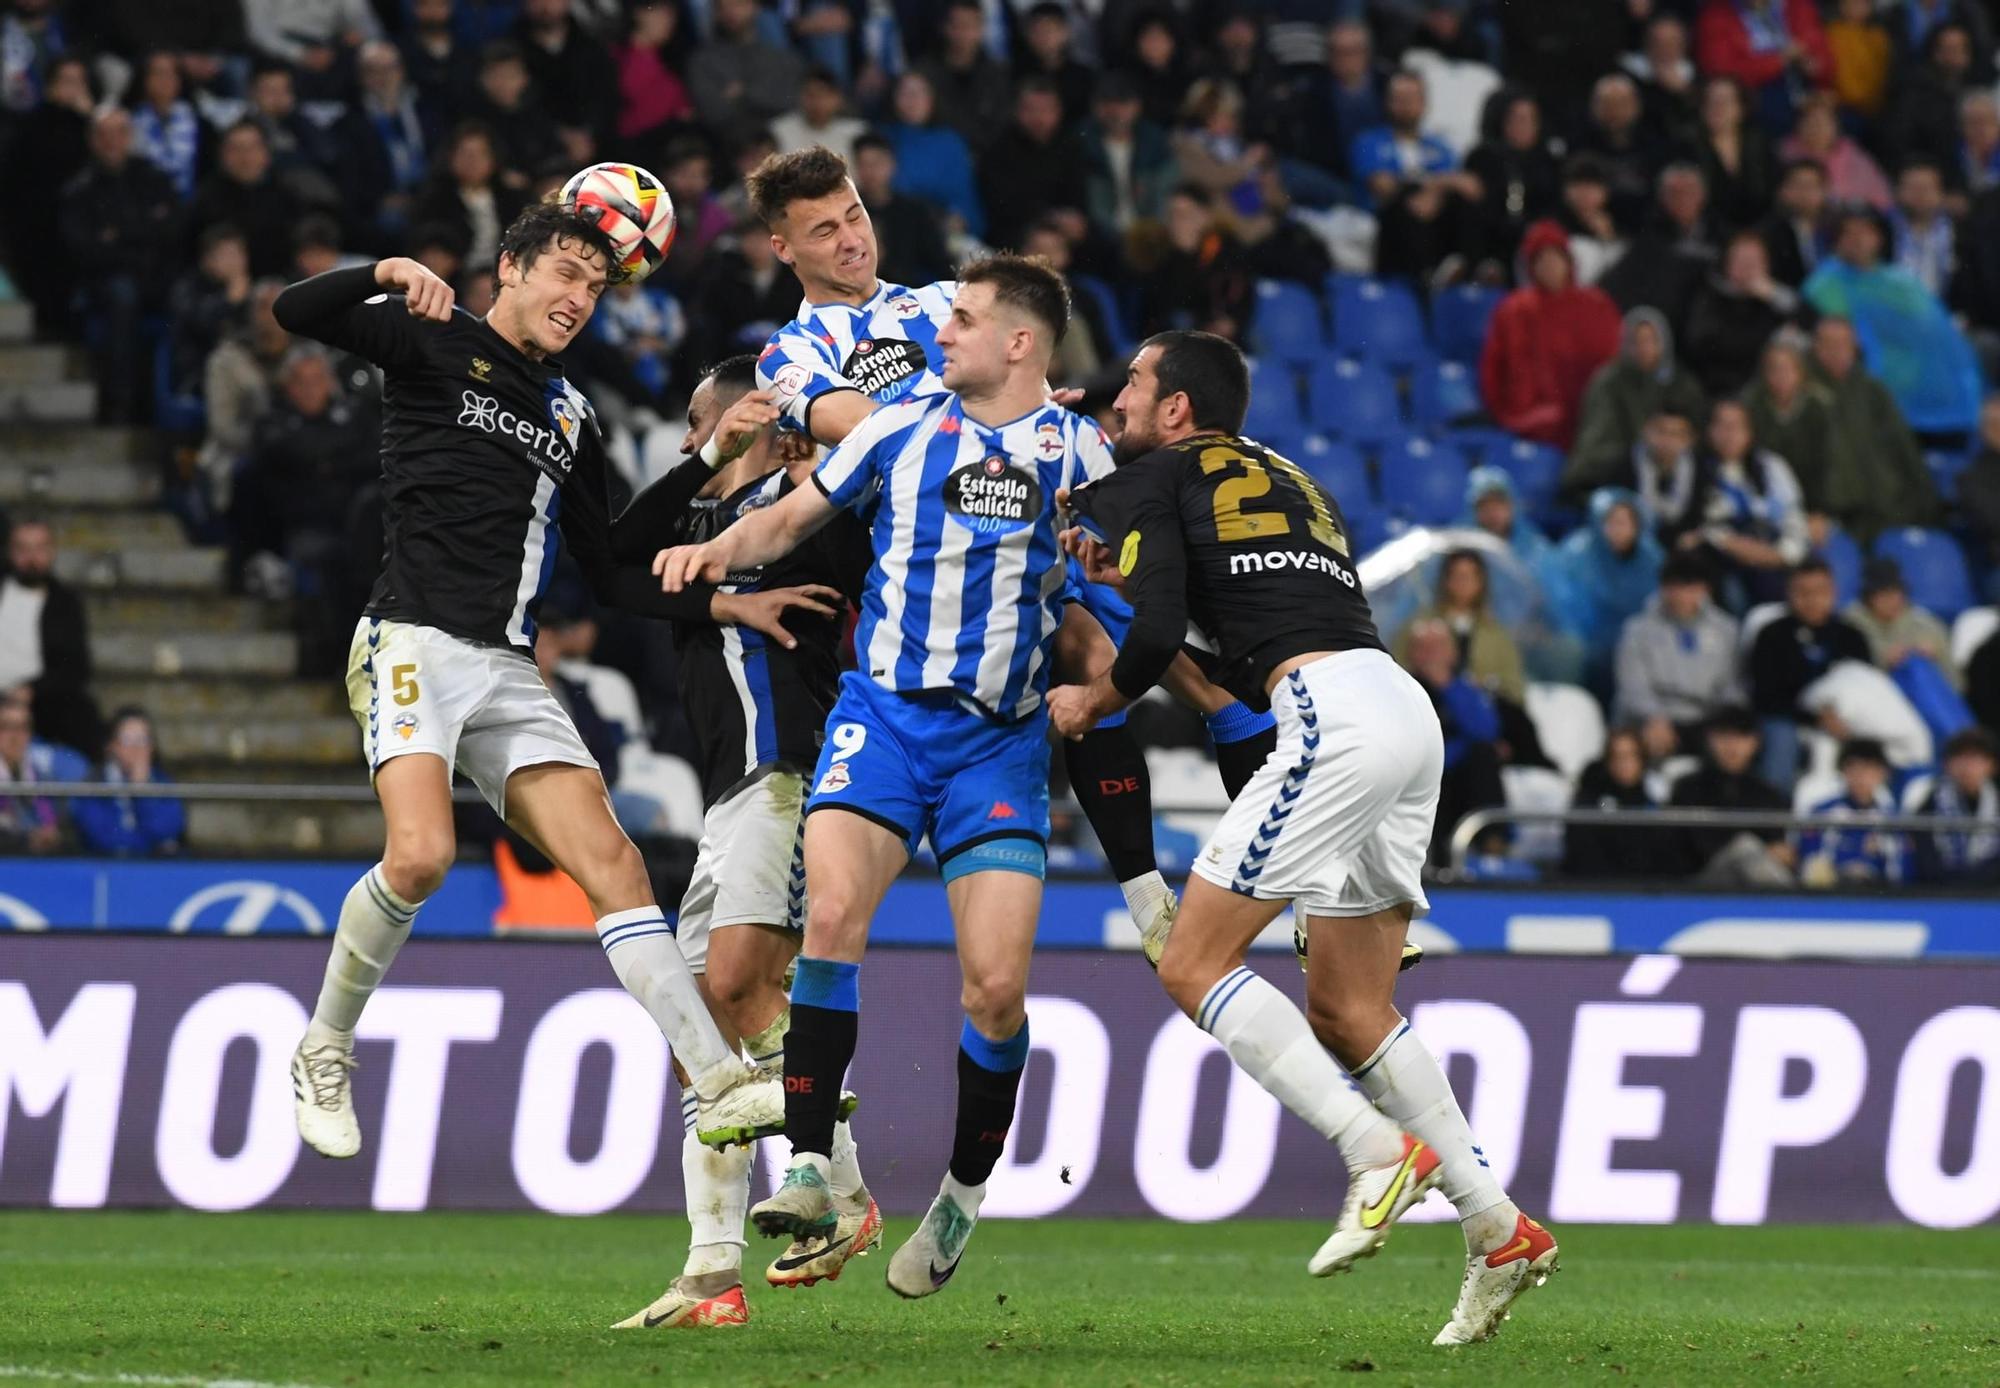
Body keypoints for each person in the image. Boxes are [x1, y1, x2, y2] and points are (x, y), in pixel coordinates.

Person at [270, 206, 796, 1223]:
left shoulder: (570, 412)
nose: (574, 298)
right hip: (413, 638)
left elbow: (609, 568)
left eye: (593, 287)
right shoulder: (431, 335)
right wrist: (383, 267)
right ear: (507, 268)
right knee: (419, 855)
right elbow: (296, 310)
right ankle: (325, 1043)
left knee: (616, 866)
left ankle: (719, 1082)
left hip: (507, 670)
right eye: (560, 272)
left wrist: (711, 517)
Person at [1055, 331, 1556, 1347]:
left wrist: (1091, 693)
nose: (1119, 399)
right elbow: (1239, 635)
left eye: (1136, 386)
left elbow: (1148, 640)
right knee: (1346, 1003)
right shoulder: (1287, 475)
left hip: (1330, 718)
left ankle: (1372, 1149)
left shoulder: (1156, 470)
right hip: (1402, 714)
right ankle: (1497, 1225)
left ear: (1178, 412)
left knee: (1191, 960)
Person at [654, 257, 1115, 1300]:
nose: (934, 333)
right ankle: (810, 1163)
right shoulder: (895, 427)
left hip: (996, 745)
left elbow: (1117, 570)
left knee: (993, 989)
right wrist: (714, 550)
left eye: (959, 320)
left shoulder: (1079, 450)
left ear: (1019, 343)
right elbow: (788, 519)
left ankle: (962, 1188)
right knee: (828, 921)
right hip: (884, 722)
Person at [742, 146, 1267, 999]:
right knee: (1099, 639)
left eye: (855, 218)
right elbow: (868, 427)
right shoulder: (791, 354)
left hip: (1017, 508)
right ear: (782, 248)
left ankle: (1178, 899)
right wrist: (989, 423)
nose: (849, 241)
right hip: (910, 555)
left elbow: (1028, 372)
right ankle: (1160, 891)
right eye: (822, 231)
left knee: (1175, 654)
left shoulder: (944, 300)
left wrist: (1019, 422)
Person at [606, 357, 877, 1321]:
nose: (686, 441)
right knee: (703, 1043)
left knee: (732, 990)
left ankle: (843, 1194)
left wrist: (808, 449)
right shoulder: (696, 526)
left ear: (759, 416)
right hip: (731, 790)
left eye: (698, 423)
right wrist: (727, 600)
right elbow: (612, 565)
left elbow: (865, 521)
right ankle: (712, 1270)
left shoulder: (811, 504)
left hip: (791, 771)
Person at [1804, 207, 1982, 434]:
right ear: (1837, 241)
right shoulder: (1823, 285)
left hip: (1919, 375)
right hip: (1860, 382)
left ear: (1879, 237)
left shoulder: (1901, 282)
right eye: (1849, 233)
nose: (1858, 240)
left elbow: (1931, 330)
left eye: (1865, 232)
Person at [58, 106, 182, 424]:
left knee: (187, 295)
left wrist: (119, 234)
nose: (113, 141)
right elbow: (87, 251)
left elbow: (172, 231)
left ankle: (178, 397)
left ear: (130, 137)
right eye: (104, 134)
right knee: (122, 296)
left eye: (120, 133)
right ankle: (121, 404)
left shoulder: (153, 178)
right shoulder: (80, 189)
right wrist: (141, 233)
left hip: (156, 273)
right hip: (106, 280)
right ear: (92, 141)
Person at [1479, 219, 1623, 449]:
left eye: (1555, 258)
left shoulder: (1597, 305)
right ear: (1531, 266)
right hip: (1534, 423)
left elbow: (1614, 363)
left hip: (1589, 419)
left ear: (1568, 262)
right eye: (1541, 260)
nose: (1550, 266)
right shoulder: (1513, 310)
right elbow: (1493, 369)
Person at [1806, 315, 1942, 539]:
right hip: (1825, 508)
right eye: (1828, 344)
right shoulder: (1803, 391)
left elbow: (1904, 448)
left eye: (1843, 344)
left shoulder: (1873, 392)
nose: (1836, 352)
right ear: (1816, 347)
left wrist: (1925, 503)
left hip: (1879, 504)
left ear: (1855, 347)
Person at [1748, 558, 1872, 788]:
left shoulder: (1852, 637)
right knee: (1781, 738)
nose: (1811, 599)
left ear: (1833, 592)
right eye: (1802, 592)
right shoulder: (1771, 635)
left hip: (1844, 721)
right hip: (1787, 720)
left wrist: (1840, 719)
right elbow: (1765, 696)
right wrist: (1814, 718)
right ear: (1789, 593)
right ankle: (1776, 816)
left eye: (1820, 591)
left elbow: (1867, 688)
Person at [1351, 68, 1483, 284]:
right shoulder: (1368, 142)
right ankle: (1427, 278)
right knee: (1406, 200)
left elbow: (1467, 185)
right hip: (1390, 223)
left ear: (1424, 103)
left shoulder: (1441, 146)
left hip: (1437, 220)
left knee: (1462, 202)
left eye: (1411, 99)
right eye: (1399, 99)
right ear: (1388, 103)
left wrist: (1434, 190)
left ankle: (1469, 272)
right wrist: (1435, 185)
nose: (1405, 106)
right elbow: (1383, 186)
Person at [1567, 306, 1708, 498]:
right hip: (1621, 471)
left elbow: (1695, 434)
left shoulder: (1682, 384)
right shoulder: (1610, 382)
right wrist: (1642, 452)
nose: (1645, 348)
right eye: (1637, 341)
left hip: (1674, 469)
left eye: (1651, 340)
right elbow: (1598, 439)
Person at [1681, 398, 1811, 605]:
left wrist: (1780, 555)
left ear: (1750, 431)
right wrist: (1734, 545)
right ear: (1709, 430)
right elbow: (1698, 530)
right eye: (1721, 425)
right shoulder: (1691, 468)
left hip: (1775, 559)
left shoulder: (1772, 467)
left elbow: (1794, 520)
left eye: (1736, 426)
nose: (1729, 434)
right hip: (1722, 564)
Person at [1615, 553, 1744, 759]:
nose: (1682, 596)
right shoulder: (1637, 630)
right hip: (1655, 718)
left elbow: (1732, 685)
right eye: (1674, 587)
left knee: (1733, 741)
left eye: (1690, 588)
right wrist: (1655, 717)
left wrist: (1724, 724)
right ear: (1663, 588)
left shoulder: (1726, 630)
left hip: (1707, 719)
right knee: (1650, 739)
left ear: (1704, 589)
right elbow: (1633, 688)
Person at [0, 513, 101, 757]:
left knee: (83, 717)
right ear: (10, 552)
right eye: (22, 549)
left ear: (51, 552)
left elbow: (77, 668)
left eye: (39, 548)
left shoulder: (64, 603)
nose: (31, 558)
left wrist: (30, 691)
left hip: (42, 702)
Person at [1550, 487, 1664, 696]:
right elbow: (1563, 608)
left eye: (1625, 522)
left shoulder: (1653, 558)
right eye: (1612, 522)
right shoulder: (1574, 555)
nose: (1618, 530)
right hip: (1587, 649)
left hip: (1638, 647)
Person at [1670, 705, 1795, 883]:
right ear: (1709, 740)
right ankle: (1790, 904)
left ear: (1755, 742)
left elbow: (1777, 844)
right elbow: (1687, 848)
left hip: (1755, 884)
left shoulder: (1767, 793)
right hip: (1699, 885)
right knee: (1744, 847)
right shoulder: (1688, 788)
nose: (1732, 746)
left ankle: (1789, 902)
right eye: (1723, 737)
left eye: (1741, 737)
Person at [1392, 549, 1526, 705]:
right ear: (1445, 579)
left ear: (1481, 582)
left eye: (1469, 576)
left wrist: (1486, 686)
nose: (1462, 583)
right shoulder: (1420, 624)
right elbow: (1398, 669)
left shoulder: (1496, 634)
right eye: (1456, 575)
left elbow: (1514, 687)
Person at [1681, 231, 1804, 399]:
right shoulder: (1709, 296)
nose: (1748, 269)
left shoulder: (1772, 299)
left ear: (1766, 265)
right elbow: (1703, 345)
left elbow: (1810, 323)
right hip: (1719, 391)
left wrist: (1775, 295)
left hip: (1767, 393)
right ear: (1728, 264)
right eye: (1742, 261)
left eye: (1754, 262)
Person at [688, 0, 801, 152]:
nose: (731, 13)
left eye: (738, 4)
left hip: (779, 146)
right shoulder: (701, 61)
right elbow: (713, 114)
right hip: (726, 149)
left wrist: (742, 94)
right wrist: (761, 96)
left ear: (755, 6)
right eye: (723, 7)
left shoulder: (779, 58)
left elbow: (789, 103)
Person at [71, 707, 186, 857]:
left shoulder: (164, 782)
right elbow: (102, 839)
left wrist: (141, 790)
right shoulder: (92, 785)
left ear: (152, 747)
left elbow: (167, 831)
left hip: (155, 870)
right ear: (111, 746)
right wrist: (148, 845)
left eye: (142, 740)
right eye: (127, 740)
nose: (136, 748)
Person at [1742, 337, 1836, 512]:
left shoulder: (1820, 407)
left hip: (1814, 505)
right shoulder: (1750, 405)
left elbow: (1829, 466)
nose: (1781, 376)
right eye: (1773, 369)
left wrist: (1821, 511)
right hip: (1764, 502)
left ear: (1800, 372)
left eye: (1787, 369)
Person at [1795, 738, 1906, 885]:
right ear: (1843, 772)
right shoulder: (1822, 813)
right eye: (1853, 769)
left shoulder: (1891, 821)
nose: (1860, 777)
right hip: (1833, 894)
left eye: (1867, 769)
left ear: (1882, 773)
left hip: (1879, 896)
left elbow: (1903, 871)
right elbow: (1810, 860)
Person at [1561, 725, 1657, 879]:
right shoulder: (1592, 801)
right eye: (1617, 757)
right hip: (1593, 888)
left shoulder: (1652, 805)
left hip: (1641, 891)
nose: (1624, 764)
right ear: (1608, 762)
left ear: (1642, 761)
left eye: (1631, 756)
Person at [1845, 557, 1958, 686]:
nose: (1892, 600)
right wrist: (1883, 659)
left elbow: (1954, 680)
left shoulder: (1921, 620)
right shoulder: (1851, 621)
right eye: (1883, 593)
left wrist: (1930, 653)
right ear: (1868, 596)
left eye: (1896, 592)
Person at [1911, 726, 2000, 883]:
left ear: (1992, 766)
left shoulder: (1996, 802)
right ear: (1947, 764)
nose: (1967, 767)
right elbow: (1926, 859)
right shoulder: (1929, 803)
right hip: (1940, 894)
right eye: (1960, 758)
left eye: (1975, 759)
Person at [1779, 92, 1892, 209]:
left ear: (1836, 127)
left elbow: (1880, 200)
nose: (1816, 128)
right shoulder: (1785, 154)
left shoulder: (1854, 158)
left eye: (1823, 122)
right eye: (1810, 122)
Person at [0, 695, 64, 855]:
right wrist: (26, 840)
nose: (15, 736)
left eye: (23, 727)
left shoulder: (43, 777)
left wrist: (50, 836)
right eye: (6, 727)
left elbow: (57, 827)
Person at [771, 65, 867, 166]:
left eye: (823, 95)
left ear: (838, 98)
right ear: (800, 96)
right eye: (811, 95)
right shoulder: (779, 131)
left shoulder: (857, 133)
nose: (817, 102)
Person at [1757, 156, 1829, 288]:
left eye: (1812, 185)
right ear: (1783, 191)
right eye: (1797, 185)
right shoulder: (1767, 236)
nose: (1804, 193)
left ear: (1825, 191)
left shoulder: (1836, 232)